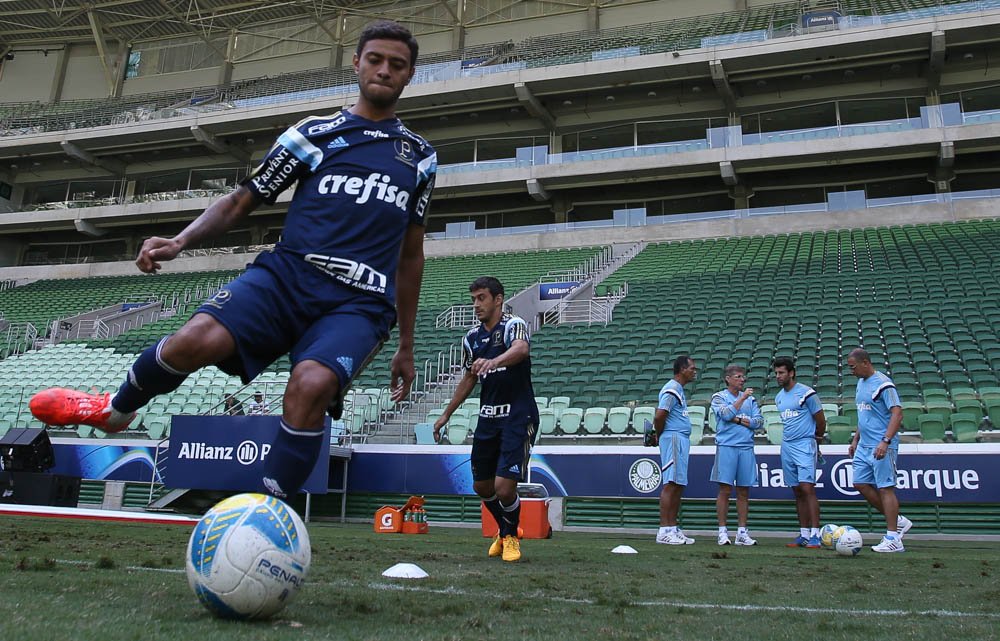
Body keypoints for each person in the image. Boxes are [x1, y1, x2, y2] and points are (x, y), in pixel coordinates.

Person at [28, 20, 436, 501]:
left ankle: (270, 512)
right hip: (286, 278)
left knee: (310, 385)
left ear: (409, 75)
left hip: (359, 301)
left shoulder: (420, 159)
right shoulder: (313, 135)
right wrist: (181, 241)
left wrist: (406, 344)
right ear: (356, 63)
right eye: (375, 59)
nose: (384, 70)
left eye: (397, 64)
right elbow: (243, 200)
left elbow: (411, 256)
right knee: (192, 340)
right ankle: (115, 412)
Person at [433, 277, 539, 562]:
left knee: (504, 486)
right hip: (487, 418)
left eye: (481, 298)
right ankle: (505, 532)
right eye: (473, 299)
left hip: (518, 415)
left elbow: (521, 350)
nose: (476, 304)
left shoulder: (513, 326)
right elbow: (469, 377)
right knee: (482, 486)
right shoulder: (471, 338)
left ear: (498, 299)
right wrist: (446, 413)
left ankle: (511, 536)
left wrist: (494, 361)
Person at [846, 348, 913, 552]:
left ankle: (893, 538)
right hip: (864, 445)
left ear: (865, 362)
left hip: (881, 445)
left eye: (853, 367)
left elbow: (897, 414)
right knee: (859, 483)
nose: (852, 371)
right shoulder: (860, 383)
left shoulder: (884, 385)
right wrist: (855, 438)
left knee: (885, 487)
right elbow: (865, 414)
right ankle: (898, 520)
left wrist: (885, 441)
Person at [772, 356, 826, 548]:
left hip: (804, 444)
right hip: (787, 446)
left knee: (807, 488)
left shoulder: (807, 393)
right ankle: (803, 534)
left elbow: (820, 420)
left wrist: (816, 438)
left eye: (781, 373)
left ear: (791, 373)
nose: (778, 376)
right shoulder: (779, 397)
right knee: (796, 490)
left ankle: (815, 534)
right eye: (776, 373)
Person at [710, 364, 763, 546]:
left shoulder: (751, 400)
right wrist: (740, 406)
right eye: (739, 377)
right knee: (724, 490)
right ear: (728, 379)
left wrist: (738, 419)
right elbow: (725, 414)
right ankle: (722, 532)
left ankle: (742, 532)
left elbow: (758, 422)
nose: (742, 380)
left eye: (743, 377)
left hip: (746, 447)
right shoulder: (718, 397)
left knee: (743, 491)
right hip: (726, 446)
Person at [652, 355, 698, 545]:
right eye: (692, 368)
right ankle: (664, 530)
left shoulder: (678, 389)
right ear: (682, 370)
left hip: (679, 439)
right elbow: (659, 416)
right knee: (671, 483)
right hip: (672, 438)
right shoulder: (672, 390)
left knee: (678, 483)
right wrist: (659, 434)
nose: (694, 371)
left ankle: (672, 527)